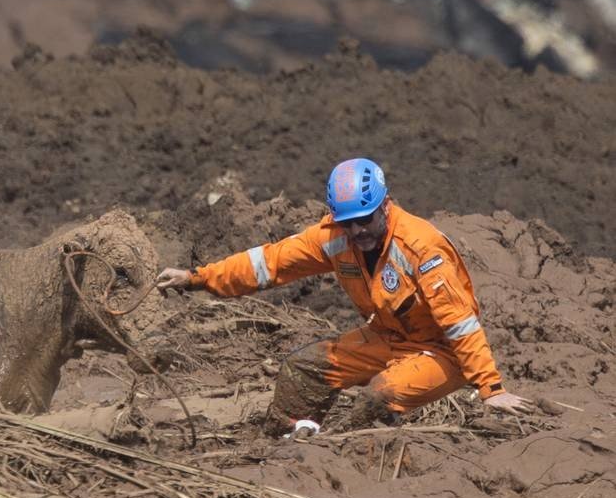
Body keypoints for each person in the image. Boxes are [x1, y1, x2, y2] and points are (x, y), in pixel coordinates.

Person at [155, 158, 533, 437]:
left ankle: (348, 453)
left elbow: (459, 322)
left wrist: (491, 389)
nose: (357, 231)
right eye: (348, 222)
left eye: (365, 220)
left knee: (380, 395)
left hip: (442, 351)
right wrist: (197, 278)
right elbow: (267, 263)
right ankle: (287, 442)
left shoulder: (421, 247)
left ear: (385, 206)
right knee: (303, 368)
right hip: (389, 337)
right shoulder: (335, 236)